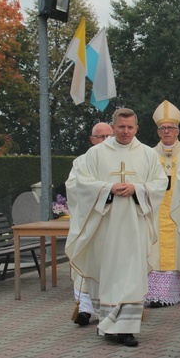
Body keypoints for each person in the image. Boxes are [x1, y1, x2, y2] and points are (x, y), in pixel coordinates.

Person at [66, 109, 167, 347]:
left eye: (130, 127)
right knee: (108, 274)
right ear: (113, 127)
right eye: (121, 127)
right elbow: (81, 182)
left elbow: (160, 183)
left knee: (131, 275)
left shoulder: (148, 155)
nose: (126, 131)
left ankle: (126, 328)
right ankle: (108, 323)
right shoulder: (96, 154)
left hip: (134, 226)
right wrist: (107, 188)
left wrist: (138, 189)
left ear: (137, 128)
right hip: (105, 228)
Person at [146, 100, 180, 308]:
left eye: (170, 128)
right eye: (162, 128)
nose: (166, 131)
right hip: (156, 209)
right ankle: (157, 293)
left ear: (178, 130)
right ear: (158, 132)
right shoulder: (149, 155)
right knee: (155, 248)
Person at [69, 121, 113, 327]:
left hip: (112, 222)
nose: (105, 141)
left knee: (111, 266)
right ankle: (85, 309)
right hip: (88, 221)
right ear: (92, 139)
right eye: (101, 137)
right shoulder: (82, 161)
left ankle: (112, 311)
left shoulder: (118, 160)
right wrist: (101, 192)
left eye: (108, 136)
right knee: (86, 264)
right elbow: (73, 187)